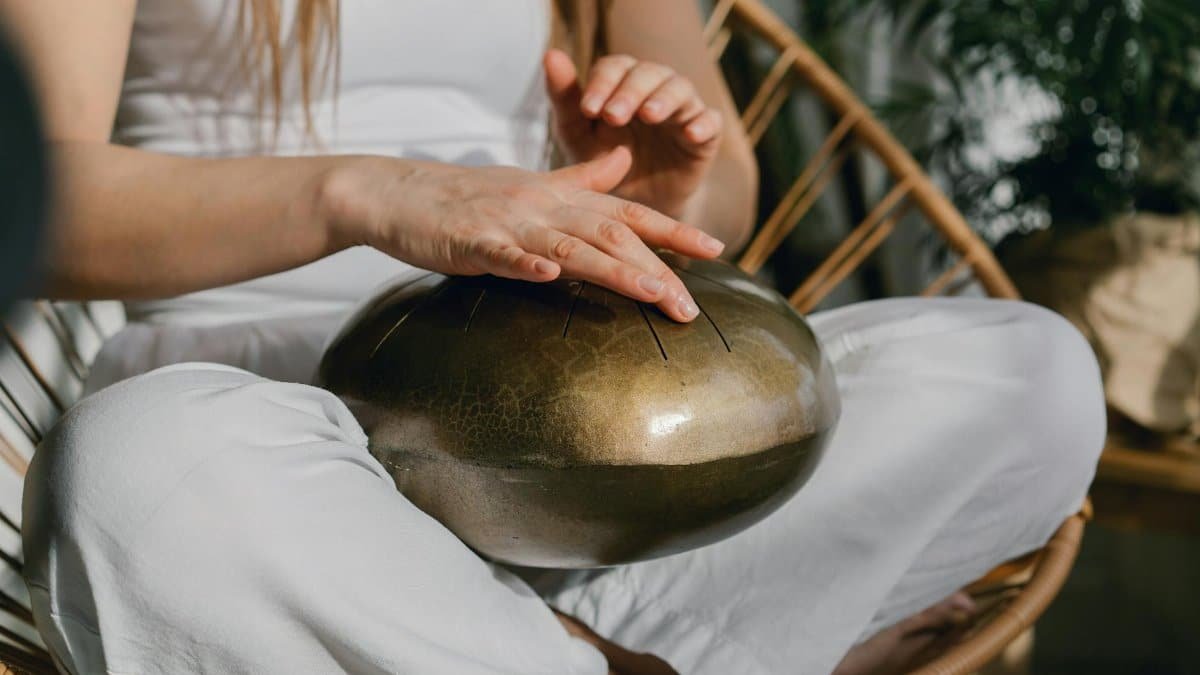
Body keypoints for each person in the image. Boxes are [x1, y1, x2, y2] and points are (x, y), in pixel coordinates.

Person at [2, 1, 1105, 673]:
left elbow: (716, 196)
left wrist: (672, 178)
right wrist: (376, 193)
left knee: (1033, 373)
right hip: (276, 444)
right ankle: (686, 655)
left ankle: (501, 647)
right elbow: (33, 192)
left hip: (583, 434)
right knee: (137, 476)